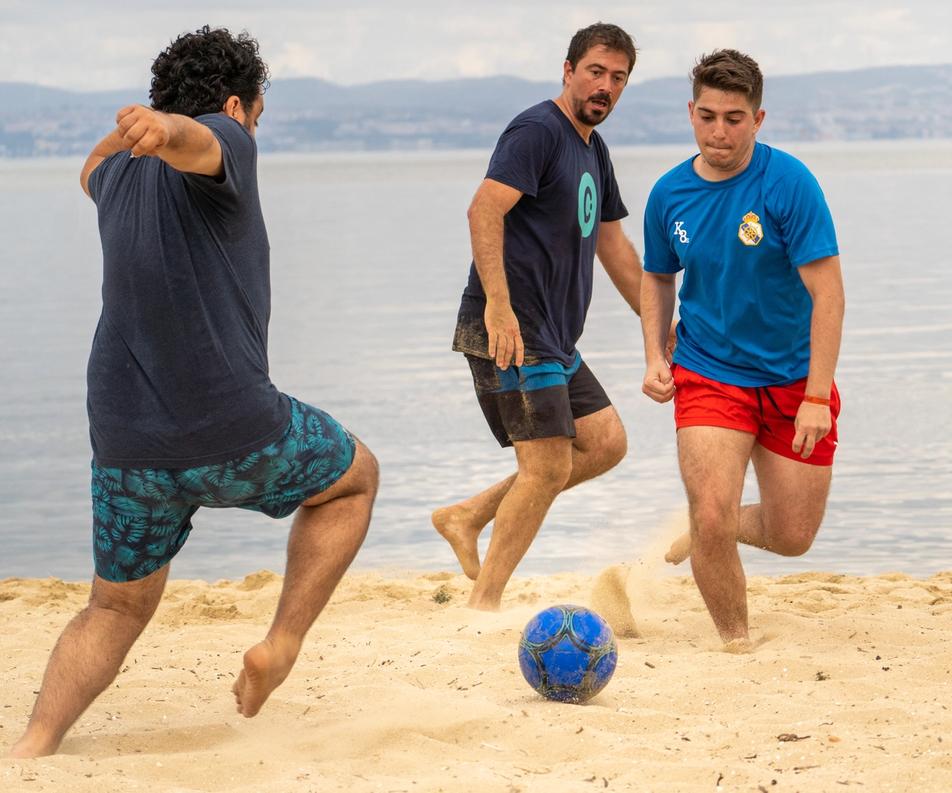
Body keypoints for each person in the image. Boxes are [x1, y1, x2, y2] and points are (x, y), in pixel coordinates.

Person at [9, 26, 378, 758]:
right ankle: (281, 641)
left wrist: (151, 126)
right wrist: (177, 126)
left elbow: (97, 163)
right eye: (256, 115)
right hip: (234, 428)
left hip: (126, 443)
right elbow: (201, 140)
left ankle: (33, 746)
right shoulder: (228, 135)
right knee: (353, 479)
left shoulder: (114, 176)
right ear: (240, 105)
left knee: (113, 604)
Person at [433, 22, 647, 611]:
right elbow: (483, 211)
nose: (605, 86)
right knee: (548, 464)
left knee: (604, 442)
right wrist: (499, 307)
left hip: (553, 336)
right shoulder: (538, 130)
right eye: (596, 72)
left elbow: (615, 248)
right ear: (568, 70)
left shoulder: (592, 149)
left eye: (618, 77)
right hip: (511, 328)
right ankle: (486, 604)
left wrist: (659, 326)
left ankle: (468, 515)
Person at [640, 49, 845, 645]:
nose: (719, 132)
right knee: (711, 511)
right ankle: (736, 642)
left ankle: (707, 532)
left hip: (792, 379)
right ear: (691, 112)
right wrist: (656, 355)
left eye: (734, 118)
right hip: (709, 371)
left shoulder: (790, 184)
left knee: (792, 536)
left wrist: (814, 397)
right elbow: (658, 276)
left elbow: (828, 297)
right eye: (707, 116)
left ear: (758, 119)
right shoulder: (668, 194)